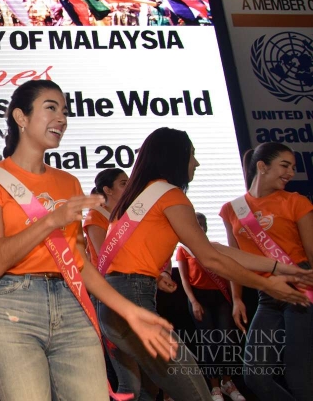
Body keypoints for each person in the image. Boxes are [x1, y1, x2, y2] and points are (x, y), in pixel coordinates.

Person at [0, 80, 178, 400]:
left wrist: (129, 311)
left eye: (65, 111)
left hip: (72, 306)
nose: (62, 119)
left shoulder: (68, 182)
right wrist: (51, 220)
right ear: (21, 118)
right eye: (50, 108)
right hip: (14, 306)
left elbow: (80, 263)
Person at [98, 127, 310, 401]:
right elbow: (210, 258)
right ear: (175, 157)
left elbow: (212, 248)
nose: (196, 163)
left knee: (141, 393)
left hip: (111, 303)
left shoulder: (135, 197)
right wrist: (268, 283)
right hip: (135, 300)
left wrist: (279, 268)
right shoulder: (169, 195)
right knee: (196, 394)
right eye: (192, 155)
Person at [220, 142, 313, 400]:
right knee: (255, 375)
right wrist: (237, 298)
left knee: (299, 375)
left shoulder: (296, 201)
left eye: (293, 167)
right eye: (285, 165)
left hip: (301, 290)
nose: (291, 172)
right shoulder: (232, 209)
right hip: (267, 296)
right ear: (262, 166)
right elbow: (233, 260)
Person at [177, 213, 245, 401]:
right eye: (195, 225)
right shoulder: (184, 250)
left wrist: (235, 299)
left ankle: (227, 383)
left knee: (227, 341)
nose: (199, 228)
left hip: (221, 298)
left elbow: (230, 273)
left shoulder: (216, 248)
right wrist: (194, 302)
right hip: (199, 299)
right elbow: (184, 279)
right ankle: (214, 387)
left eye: (201, 224)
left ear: (206, 227)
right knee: (209, 344)